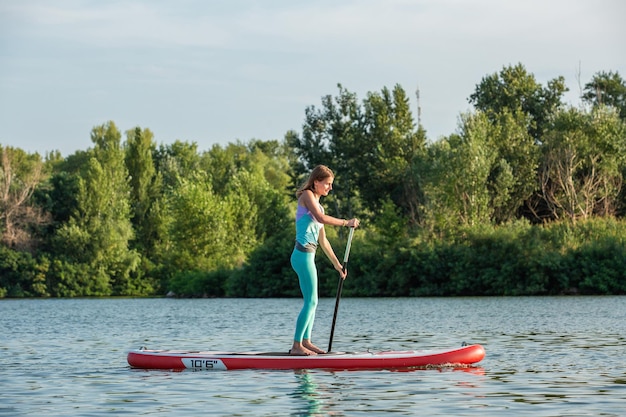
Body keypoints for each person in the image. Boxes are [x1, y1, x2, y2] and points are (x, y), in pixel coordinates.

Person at [290, 165, 360, 356]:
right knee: (311, 301)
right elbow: (321, 218)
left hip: (308, 255)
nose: (330, 187)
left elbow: (323, 241)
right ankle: (297, 345)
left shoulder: (318, 204)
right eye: (327, 184)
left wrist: (337, 265)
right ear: (316, 182)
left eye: (331, 184)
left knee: (312, 301)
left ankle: (306, 341)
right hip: (302, 255)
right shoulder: (306, 196)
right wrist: (346, 223)